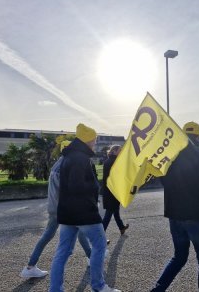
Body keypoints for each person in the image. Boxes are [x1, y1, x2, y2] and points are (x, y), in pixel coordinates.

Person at [49, 124, 120, 292]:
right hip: (84, 212)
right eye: (94, 140)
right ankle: (98, 286)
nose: (95, 143)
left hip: (66, 212)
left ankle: (55, 289)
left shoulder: (68, 157)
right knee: (100, 245)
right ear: (88, 140)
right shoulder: (81, 158)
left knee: (63, 252)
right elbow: (78, 186)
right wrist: (95, 188)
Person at [151, 121, 199, 292]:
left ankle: (158, 289)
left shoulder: (170, 154)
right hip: (195, 214)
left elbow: (163, 180)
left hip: (174, 214)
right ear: (198, 136)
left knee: (179, 257)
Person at [20, 140, 91, 278]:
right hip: (65, 208)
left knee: (47, 236)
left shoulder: (57, 165)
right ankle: (91, 259)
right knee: (80, 232)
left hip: (54, 207)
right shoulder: (67, 165)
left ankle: (30, 267)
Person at [101, 145, 129, 242]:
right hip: (112, 192)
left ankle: (121, 227)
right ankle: (100, 235)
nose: (121, 152)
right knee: (108, 215)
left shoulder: (108, 161)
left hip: (109, 191)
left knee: (115, 211)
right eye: (119, 150)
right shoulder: (115, 162)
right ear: (114, 151)